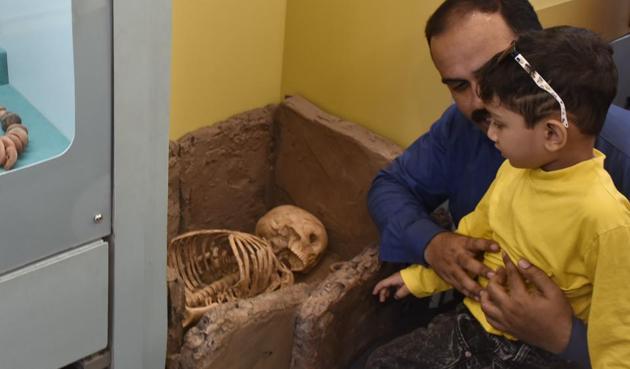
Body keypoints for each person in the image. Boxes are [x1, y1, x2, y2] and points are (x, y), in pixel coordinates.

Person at [367, 1, 630, 367]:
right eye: (459, 85)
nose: (480, 101)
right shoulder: (466, 131)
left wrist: (564, 337)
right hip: (475, 327)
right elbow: (390, 186)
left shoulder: (619, 167)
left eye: (494, 73)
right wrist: (433, 245)